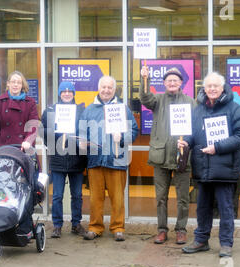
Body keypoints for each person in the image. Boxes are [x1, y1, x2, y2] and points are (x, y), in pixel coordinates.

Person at [178, 72, 240, 258]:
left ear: (222, 88)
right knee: (202, 207)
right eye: (208, 86)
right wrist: (186, 142)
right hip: (202, 167)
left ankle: (226, 244)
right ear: (204, 88)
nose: (212, 89)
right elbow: (193, 134)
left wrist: (217, 147)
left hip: (224, 169)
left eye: (215, 86)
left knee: (226, 208)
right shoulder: (198, 110)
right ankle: (201, 240)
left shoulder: (235, 109)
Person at [139, 66, 196, 245]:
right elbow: (144, 98)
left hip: (181, 157)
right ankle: (162, 230)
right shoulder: (157, 100)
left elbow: (196, 127)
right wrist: (144, 79)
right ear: (164, 83)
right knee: (160, 197)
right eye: (169, 80)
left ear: (181, 83)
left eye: (175, 80)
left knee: (183, 198)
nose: (172, 83)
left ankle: (181, 230)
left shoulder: (190, 102)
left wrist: (187, 142)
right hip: (161, 157)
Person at [79, 76, 138, 242]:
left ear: (114, 90)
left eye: (109, 88)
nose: (106, 90)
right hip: (95, 160)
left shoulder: (122, 109)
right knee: (95, 198)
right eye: (103, 87)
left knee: (117, 198)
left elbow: (134, 131)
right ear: (98, 88)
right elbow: (82, 133)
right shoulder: (89, 110)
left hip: (117, 160)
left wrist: (123, 137)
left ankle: (117, 228)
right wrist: (83, 143)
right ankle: (95, 227)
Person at [41, 81, 87, 238]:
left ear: (73, 93)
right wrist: (54, 145)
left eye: (70, 91)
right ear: (59, 93)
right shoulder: (50, 111)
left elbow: (86, 130)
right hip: (58, 160)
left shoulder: (81, 111)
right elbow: (44, 132)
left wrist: (81, 143)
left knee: (77, 195)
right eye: (64, 91)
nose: (67, 93)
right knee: (57, 195)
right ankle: (57, 225)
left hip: (77, 159)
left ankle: (76, 223)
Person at [0, 71, 39, 152]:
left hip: (23, 148)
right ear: (8, 84)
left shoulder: (30, 103)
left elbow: (33, 125)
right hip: (4, 149)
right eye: (13, 82)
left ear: (22, 85)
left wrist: (28, 141)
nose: (16, 85)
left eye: (19, 82)